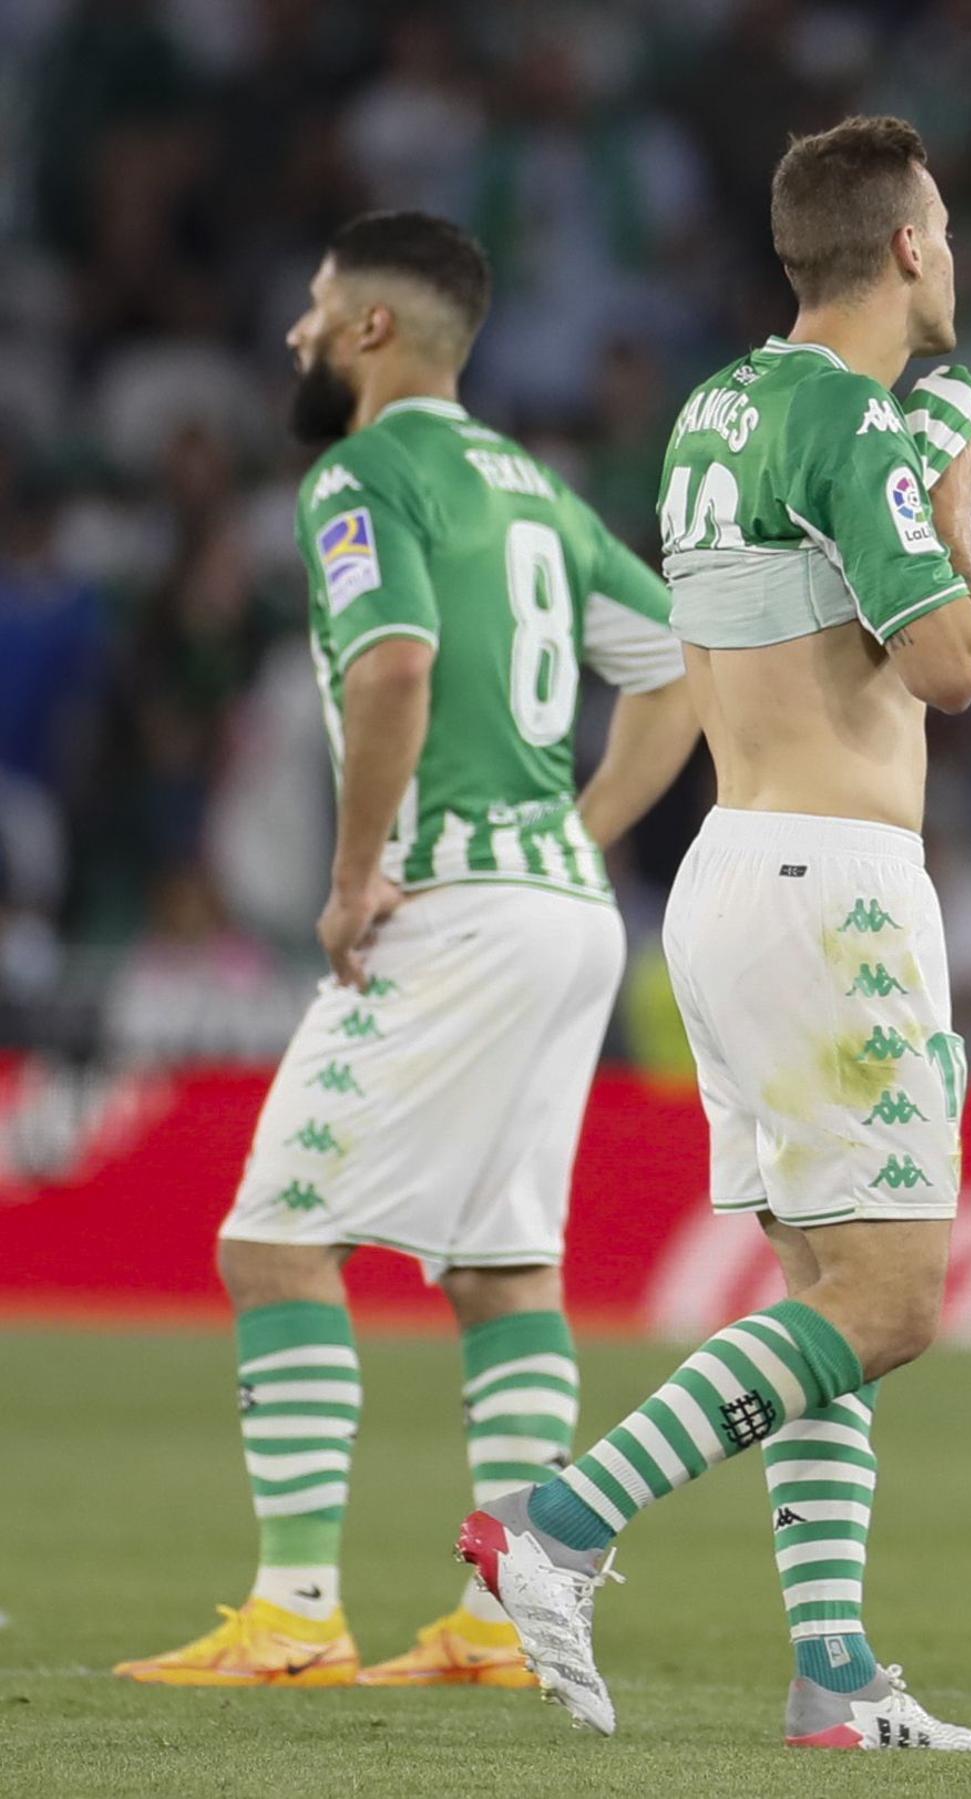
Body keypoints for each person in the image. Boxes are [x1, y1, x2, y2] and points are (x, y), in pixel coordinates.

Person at [458, 116, 971, 1752]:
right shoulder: (850, 422)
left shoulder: (722, 407)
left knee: (823, 1290)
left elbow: (732, 654)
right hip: (833, 888)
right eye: (949, 225)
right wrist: (954, 482)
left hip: (731, 869)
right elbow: (955, 663)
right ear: (907, 245)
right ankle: (554, 1525)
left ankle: (829, 1674)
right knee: (890, 1302)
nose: (957, 251)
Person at [115, 211, 697, 1688]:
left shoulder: (360, 475)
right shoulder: (539, 491)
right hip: (564, 911)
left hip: (451, 908)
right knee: (503, 1265)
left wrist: (352, 872)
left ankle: (298, 1614)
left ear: (374, 329)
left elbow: (394, 667)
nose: (299, 333)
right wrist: (586, 825)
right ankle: (502, 1621)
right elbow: (680, 663)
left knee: (273, 1240)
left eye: (316, 308)